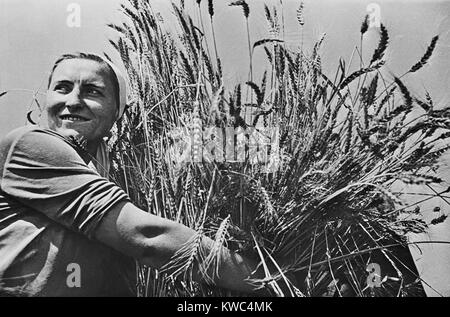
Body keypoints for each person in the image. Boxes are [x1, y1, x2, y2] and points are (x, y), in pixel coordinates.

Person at [0, 53, 265, 296]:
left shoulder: (120, 185)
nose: (73, 101)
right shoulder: (28, 143)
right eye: (62, 88)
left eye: (92, 91)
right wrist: (270, 279)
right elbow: (148, 238)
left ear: (118, 111)